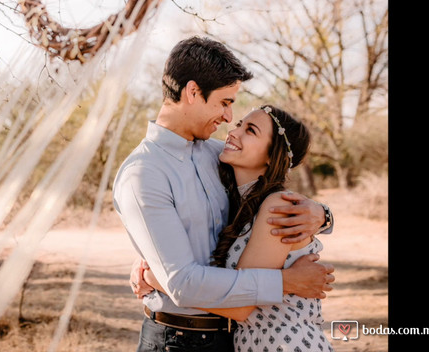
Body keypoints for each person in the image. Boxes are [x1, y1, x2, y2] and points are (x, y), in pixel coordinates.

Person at [113, 36, 335, 352]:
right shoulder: (144, 173)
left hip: (231, 336)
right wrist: (286, 282)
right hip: (178, 340)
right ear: (192, 92)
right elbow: (183, 283)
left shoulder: (218, 153)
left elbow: (271, 178)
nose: (230, 120)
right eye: (225, 103)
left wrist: (322, 214)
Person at [141, 105, 335, 352]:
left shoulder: (280, 207)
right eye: (239, 124)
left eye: (250, 130)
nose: (234, 132)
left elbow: (240, 305)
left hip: (286, 343)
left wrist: (155, 277)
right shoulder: (242, 203)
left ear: (270, 155)